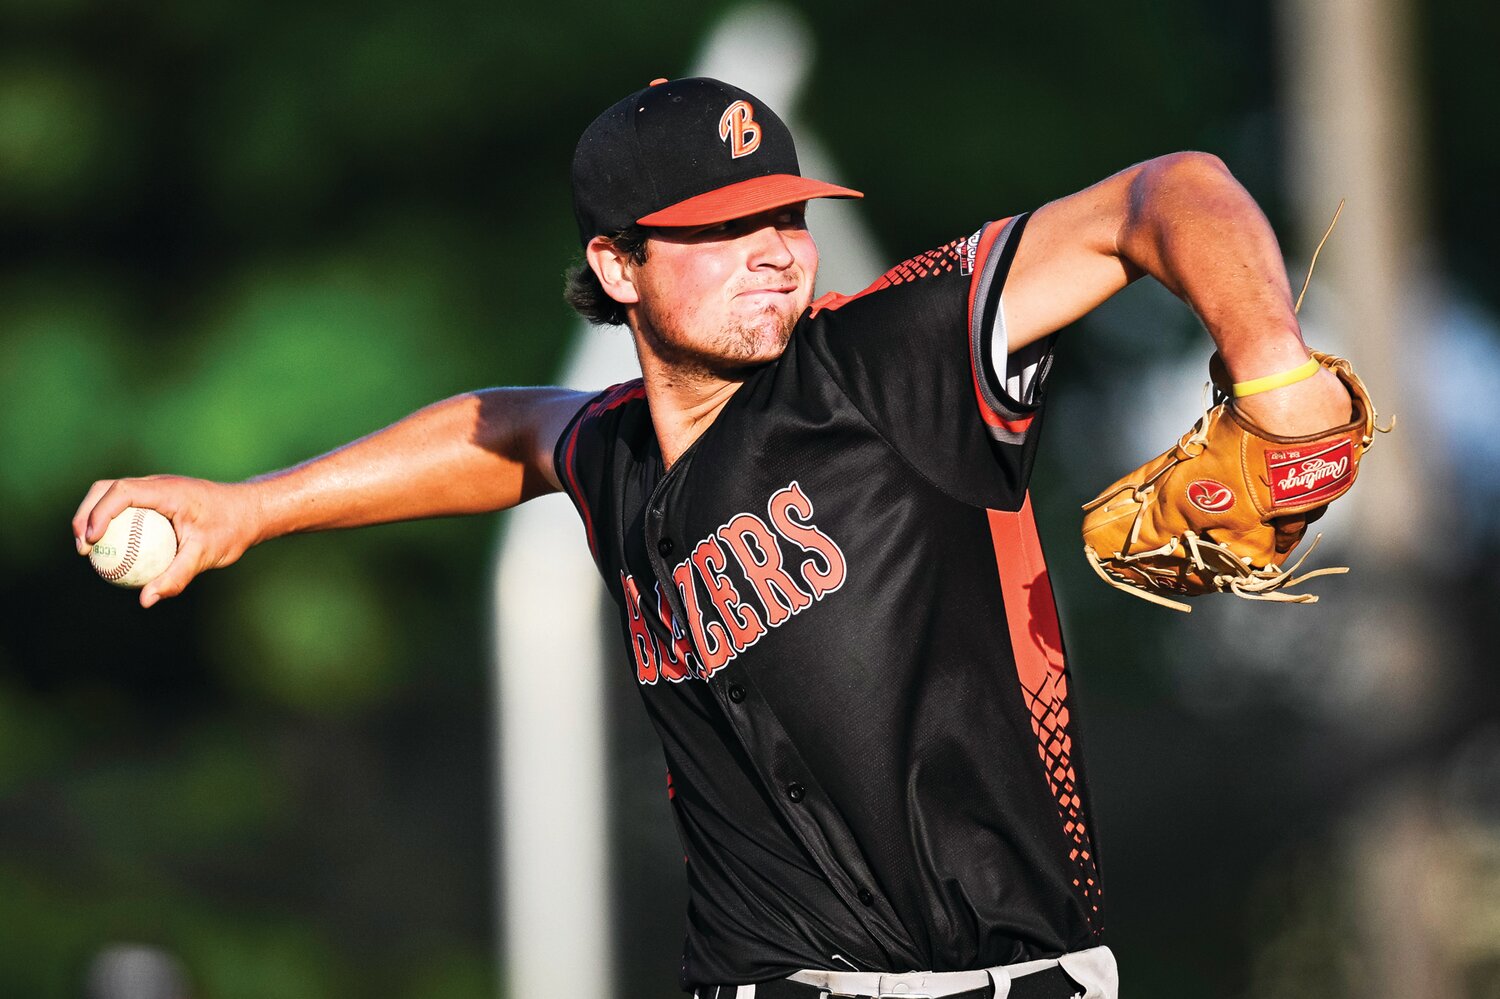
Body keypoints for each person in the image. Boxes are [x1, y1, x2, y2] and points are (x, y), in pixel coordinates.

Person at [74, 77, 1352, 999]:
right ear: (617, 265)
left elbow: (1171, 192)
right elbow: (505, 431)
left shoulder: (893, 362)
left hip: (1007, 981)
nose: (776, 257)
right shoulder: (618, 459)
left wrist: (1273, 369)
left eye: (786, 219)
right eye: (723, 229)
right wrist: (250, 509)